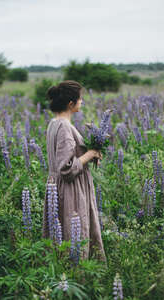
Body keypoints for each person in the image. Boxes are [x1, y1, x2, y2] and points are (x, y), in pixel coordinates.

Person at [42, 80, 106, 262]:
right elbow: (67, 168)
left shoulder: (54, 123)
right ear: (71, 103)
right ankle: (77, 276)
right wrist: (91, 153)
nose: (82, 102)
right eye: (80, 99)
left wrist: (87, 155)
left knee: (62, 234)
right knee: (74, 235)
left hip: (58, 188)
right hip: (69, 190)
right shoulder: (63, 126)